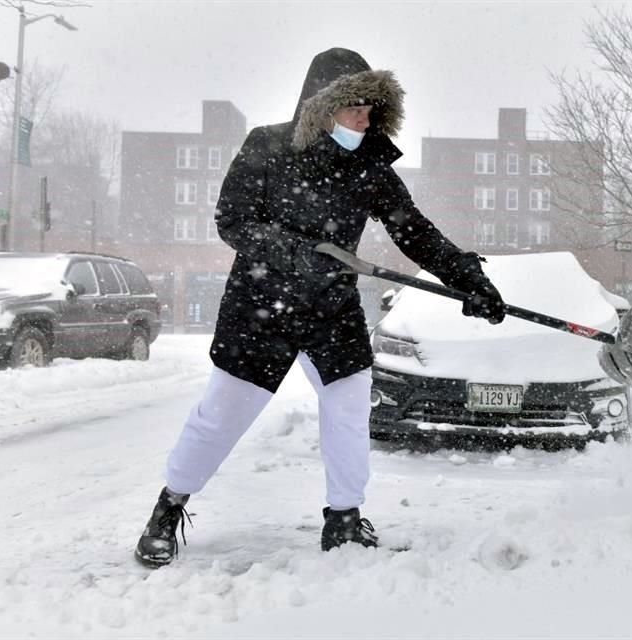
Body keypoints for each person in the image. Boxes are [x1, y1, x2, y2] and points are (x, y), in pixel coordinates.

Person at [134, 47, 506, 567]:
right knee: (220, 416)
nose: (363, 118)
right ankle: (168, 509)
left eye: (370, 109)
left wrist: (468, 277)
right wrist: (292, 252)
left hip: (331, 310)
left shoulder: (368, 162)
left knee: (350, 409)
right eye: (353, 107)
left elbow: (412, 229)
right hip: (260, 306)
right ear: (321, 105)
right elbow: (233, 220)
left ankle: (345, 520)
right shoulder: (266, 146)